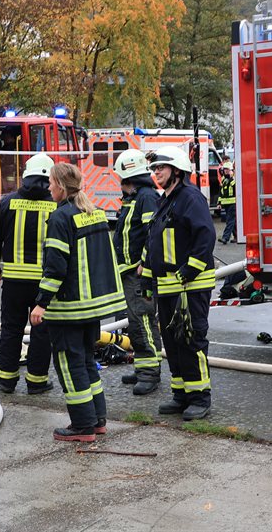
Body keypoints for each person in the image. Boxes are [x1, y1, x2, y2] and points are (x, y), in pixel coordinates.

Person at [30, 163, 126, 442]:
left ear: (61, 186)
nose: (49, 187)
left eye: (51, 182)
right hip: (92, 307)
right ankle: (97, 420)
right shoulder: (93, 212)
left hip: (68, 309)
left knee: (70, 367)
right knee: (86, 361)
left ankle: (82, 426)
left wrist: (41, 303)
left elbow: (56, 267)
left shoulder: (60, 218)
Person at [142, 145, 216, 421]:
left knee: (191, 341)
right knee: (172, 343)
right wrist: (148, 280)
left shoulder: (190, 198)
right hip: (167, 288)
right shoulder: (166, 200)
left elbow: (205, 237)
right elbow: (154, 243)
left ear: (177, 170)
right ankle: (181, 394)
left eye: (161, 167)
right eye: (154, 168)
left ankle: (199, 398)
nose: (156, 172)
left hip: (190, 287)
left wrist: (189, 271)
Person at [0, 153, 55, 395]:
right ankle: (37, 382)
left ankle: (6, 380)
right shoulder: (57, 204)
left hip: (14, 281)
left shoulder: (7, 203)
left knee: (11, 329)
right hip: (45, 283)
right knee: (42, 332)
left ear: (25, 175)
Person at [112, 149, 162, 395]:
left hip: (140, 272)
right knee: (135, 322)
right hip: (130, 271)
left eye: (121, 179)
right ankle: (143, 366)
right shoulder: (134, 198)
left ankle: (150, 372)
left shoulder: (146, 197)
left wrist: (145, 262)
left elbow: (153, 234)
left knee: (143, 320)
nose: (120, 183)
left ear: (129, 177)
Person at [219, 161, 237, 245]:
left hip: (233, 203)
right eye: (225, 169)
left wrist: (231, 177)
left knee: (230, 221)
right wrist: (219, 202)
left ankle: (225, 238)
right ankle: (236, 236)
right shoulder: (223, 179)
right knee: (232, 221)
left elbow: (235, 188)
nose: (225, 171)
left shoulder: (233, 179)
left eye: (227, 170)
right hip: (226, 204)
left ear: (231, 170)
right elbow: (221, 192)